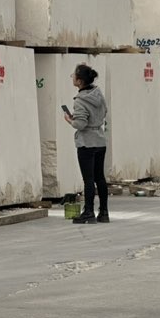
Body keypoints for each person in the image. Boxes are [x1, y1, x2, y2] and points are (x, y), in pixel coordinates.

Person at [63, 63, 109, 224]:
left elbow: (80, 124)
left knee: (88, 179)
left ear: (80, 81)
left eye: (74, 75)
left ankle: (88, 211)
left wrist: (70, 120)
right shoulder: (98, 93)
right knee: (100, 178)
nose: (72, 77)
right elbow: (104, 111)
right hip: (100, 140)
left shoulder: (80, 101)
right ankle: (104, 212)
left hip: (86, 143)